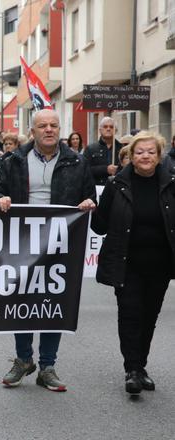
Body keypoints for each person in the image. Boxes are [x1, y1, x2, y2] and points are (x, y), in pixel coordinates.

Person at [0, 109, 96, 392]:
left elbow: (90, 195)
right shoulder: (13, 160)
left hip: (61, 242)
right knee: (21, 299)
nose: (49, 130)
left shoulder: (77, 161)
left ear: (59, 129)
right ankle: (24, 359)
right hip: (22, 242)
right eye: (43, 126)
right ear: (32, 130)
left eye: (54, 125)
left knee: (53, 301)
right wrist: (1, 199)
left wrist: (87, 203)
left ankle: (47, 366)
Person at [91, 131, 175, 395]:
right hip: (126, 264)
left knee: (149, 316)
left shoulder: (172, 184)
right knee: (130, 315)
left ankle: (141, 367)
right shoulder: (117, 185)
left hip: (160, 265)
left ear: (159, 156)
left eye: (151, 152)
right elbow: (99, 226)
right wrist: (92, 208)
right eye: (140, 152)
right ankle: (132, 370)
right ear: (130, 157)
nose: (145, 156)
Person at [84, 117, 123, 185]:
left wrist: (118, 170)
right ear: (100, 130)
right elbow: (85, 170)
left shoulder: (122, 148)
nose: (108, 129)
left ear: (115, 130)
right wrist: (105, 169)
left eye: (111, 127)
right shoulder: (90, 149)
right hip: (97, 187)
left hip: (117, 187)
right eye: (105, 127)